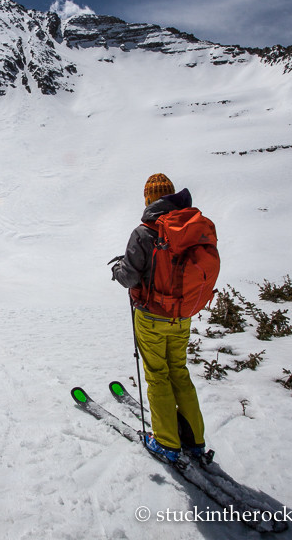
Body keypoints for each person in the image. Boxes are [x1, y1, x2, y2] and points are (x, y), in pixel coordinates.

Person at [111, 173, 206, 463]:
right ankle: (194, 441)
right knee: (179, 372)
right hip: (183, 315)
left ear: (150, 199)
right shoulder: (189, 228)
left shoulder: (144, 232)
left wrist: (117, 268)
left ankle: (166, 442)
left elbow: (129, 277)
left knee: (158, 376)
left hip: (152, 317)